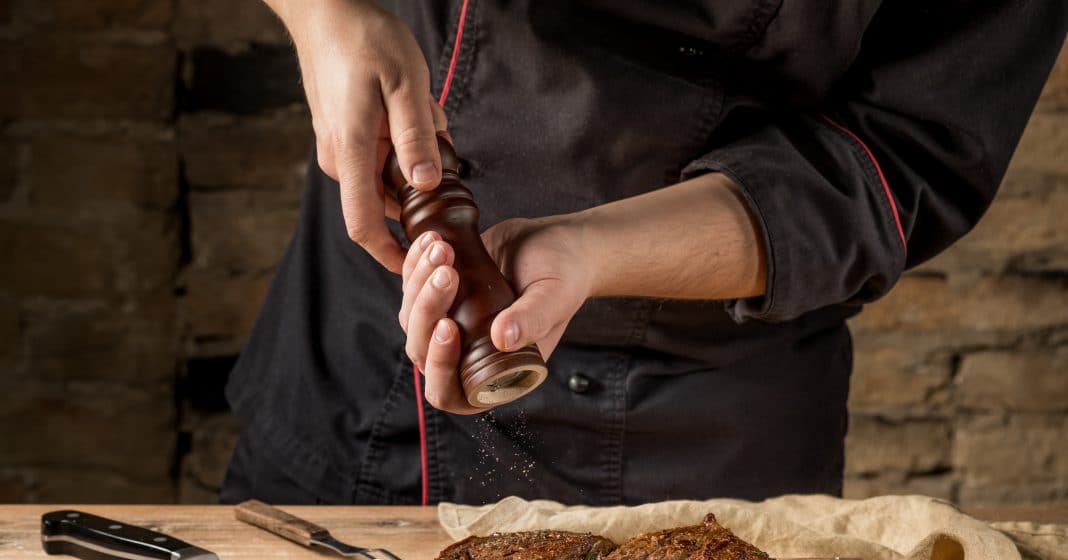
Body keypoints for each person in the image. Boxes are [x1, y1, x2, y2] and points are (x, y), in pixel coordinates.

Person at [221, 0, 1067, 506]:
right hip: (371, 362)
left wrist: (588, 250)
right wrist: (327, 17)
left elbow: (902, 153)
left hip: (709, 414)